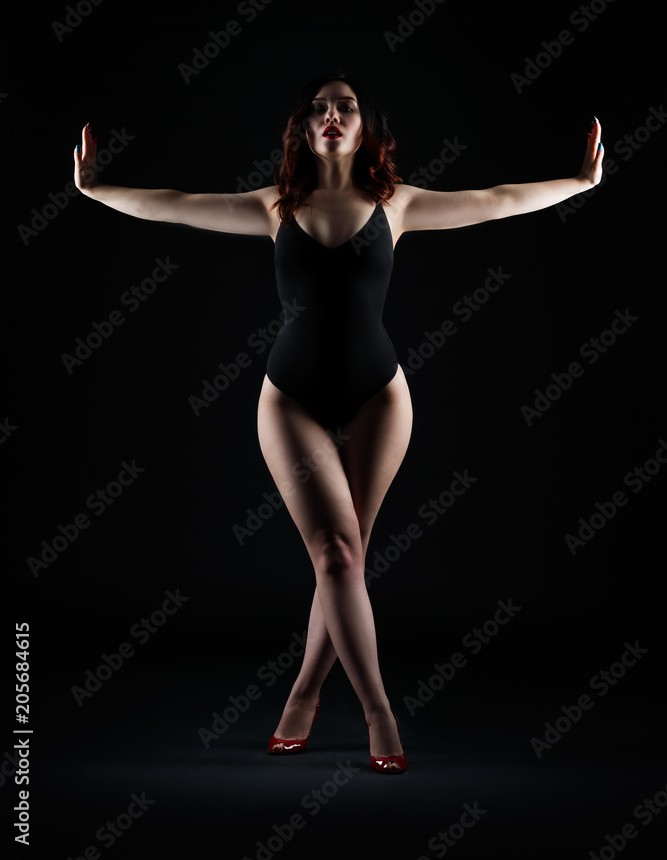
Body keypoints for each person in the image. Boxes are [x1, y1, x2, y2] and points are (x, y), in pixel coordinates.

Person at [73, 73, 604, 774]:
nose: (331, 114)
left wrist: (578, 183)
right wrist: (94, 189)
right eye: (318, 107)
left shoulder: (398, 203)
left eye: (345, 106)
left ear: (365, 129)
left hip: (379, 396)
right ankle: (379, 713)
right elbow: (173, 205)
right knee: (336, 556)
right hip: (287, 399)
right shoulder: (272, 207)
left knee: (345, 560)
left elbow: (497, 201)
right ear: (301, 128)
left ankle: (303, 697)